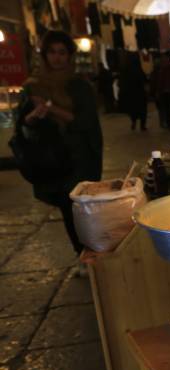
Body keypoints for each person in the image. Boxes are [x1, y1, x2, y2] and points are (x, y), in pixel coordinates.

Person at [11, 30, 103, 255]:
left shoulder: (79, 86)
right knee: (67, 207)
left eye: (62, 52)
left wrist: (51, 109)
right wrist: (33, 117)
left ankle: (93, 253)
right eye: (52, 52)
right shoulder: (33, 86)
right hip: (51, 158)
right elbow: (22, 124)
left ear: (69, 55)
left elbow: (85, 121)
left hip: (80, 157)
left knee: (83, 208)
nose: (57, 57)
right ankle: (82, 255)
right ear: (44, 55)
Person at [118, 52, 148, 131]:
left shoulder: (126, 70)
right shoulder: (138, 69)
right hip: (139, 93)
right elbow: (144, 80)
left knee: (133, 109)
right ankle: (142, 125)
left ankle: (134, 122)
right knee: (142, 110)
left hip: (131, 93)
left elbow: (122, 82)